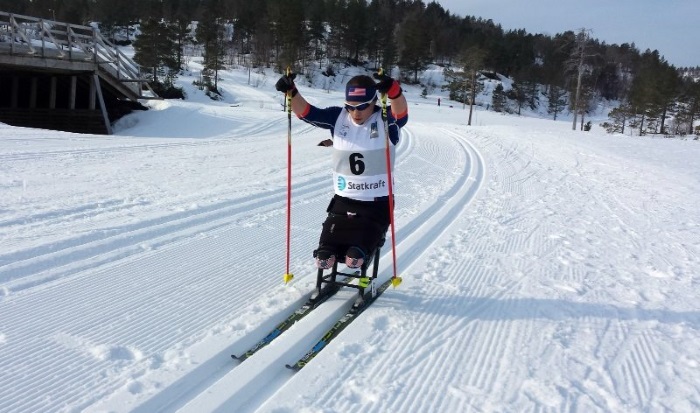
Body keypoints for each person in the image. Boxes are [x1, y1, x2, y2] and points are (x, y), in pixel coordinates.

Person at [275, 71, 408, 271]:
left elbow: (401, 114)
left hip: (377, 202)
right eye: (351, 107)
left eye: (362, 107)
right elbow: (307, 113)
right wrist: (291, 91)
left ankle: (360, 258)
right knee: (324, 256)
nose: (356, 113)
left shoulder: (385, 119)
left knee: (355, 257)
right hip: (343, 199)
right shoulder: (338, 117)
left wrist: (394, 93)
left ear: (374, 102)